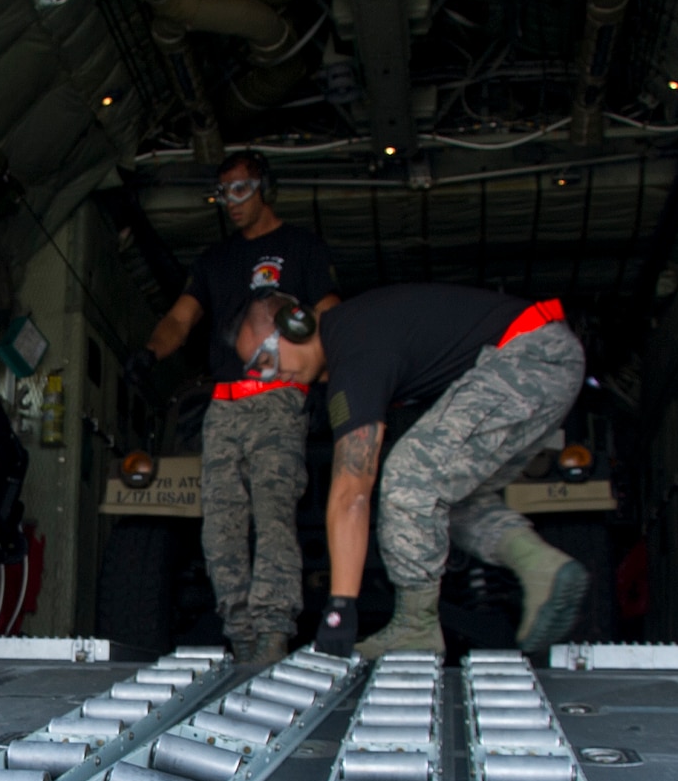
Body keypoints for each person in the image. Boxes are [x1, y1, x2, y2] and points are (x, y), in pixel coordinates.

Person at [239, 283, 591, 660]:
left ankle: (416, 626)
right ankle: (541, 566)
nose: (267, 378)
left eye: (265, 360)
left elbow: (351, 490)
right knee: (445, 500)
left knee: (410, 477)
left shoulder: (354, 348)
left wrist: (340, 609)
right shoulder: (350, 344)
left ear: (296, 327)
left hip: (529, 357)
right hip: (545, 365)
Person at [133, 150, 339, 664]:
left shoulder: (302, 247)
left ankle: (272, 631)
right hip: (224, 407)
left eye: (242, 189)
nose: (232, 203)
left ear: (265, 187)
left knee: (273, 512)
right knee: (220, 522)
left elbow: (329, 312)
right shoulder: (215, 260)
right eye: (224, 193)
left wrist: (327, 365)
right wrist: (149, 352)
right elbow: (180, 319)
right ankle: (241, 632)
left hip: (280, 399)